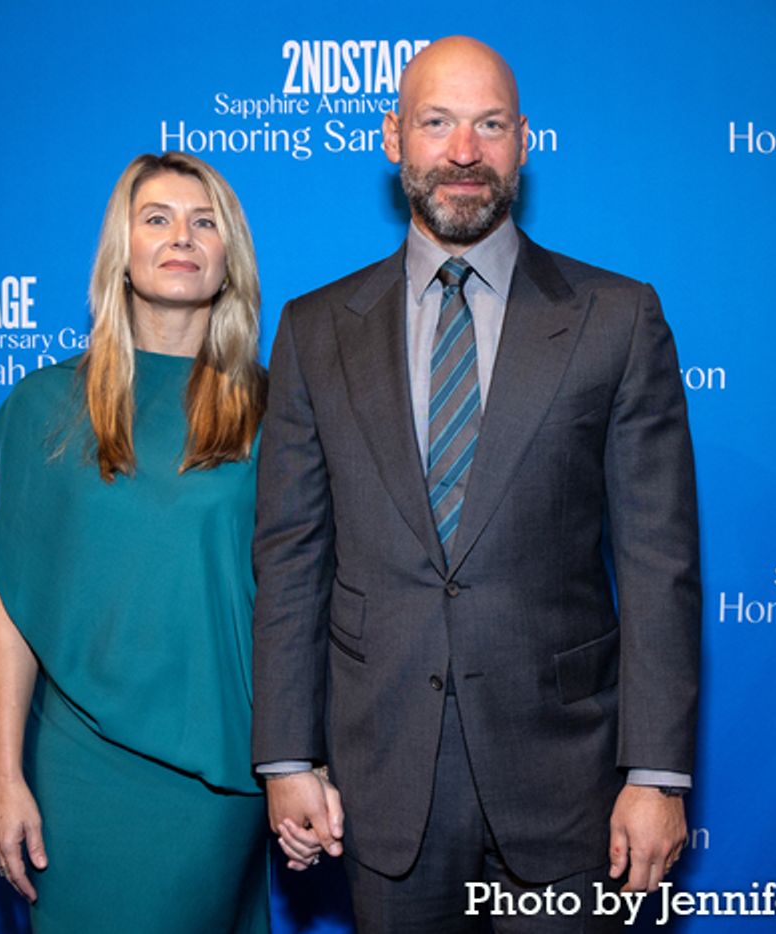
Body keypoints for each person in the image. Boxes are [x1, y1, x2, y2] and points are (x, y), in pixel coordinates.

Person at [252, 36, 701, 931]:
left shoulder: (616, 318)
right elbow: (292, 560)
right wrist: (288, 758)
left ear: (523, 142)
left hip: (568, 783)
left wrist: (655, 775)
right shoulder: (313, 330)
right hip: (381, 782)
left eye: (490, 125)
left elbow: (660, 563)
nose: (464, 152)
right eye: (438, 123)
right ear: (394, 139)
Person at [0, 151, 269, 933]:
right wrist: (4, 777)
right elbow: (15, 610)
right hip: (75, 770)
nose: (182, 237)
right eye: (157, 219)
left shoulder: (277, 411)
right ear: (123, 249)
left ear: (229, 257)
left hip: (216, 770)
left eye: (204, 222)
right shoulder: (45, 407)